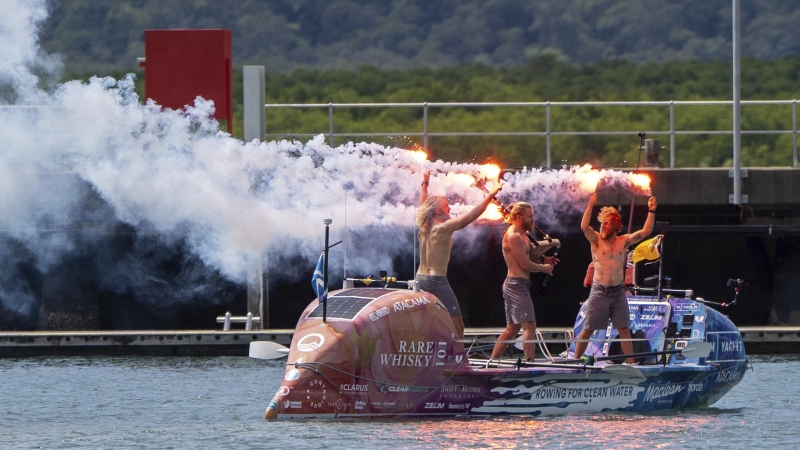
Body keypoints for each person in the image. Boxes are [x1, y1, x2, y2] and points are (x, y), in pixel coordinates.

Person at [416, 170, 501, 339]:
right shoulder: (442, 228)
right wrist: (491, 193)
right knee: (457, 326)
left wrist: (425, 183)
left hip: (420, 279)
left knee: (426, 323)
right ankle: (458, 360)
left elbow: (423, 204)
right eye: (446, 206)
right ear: (438, 211)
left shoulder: (424, 224)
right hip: (436, 281)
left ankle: (432, 356)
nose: (450, 208)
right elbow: (469, 217)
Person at [574, 193, 657, 364]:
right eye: (601, 223)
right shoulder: (595, 240)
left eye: (606, 223)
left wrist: (651, 210)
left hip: (618, 292)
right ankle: (575, 361)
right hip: (599, 291)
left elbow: (646, 231)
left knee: (624, 329)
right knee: (588, 328)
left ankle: (631, 364)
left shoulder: (624, 241)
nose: (602, 226)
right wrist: (590, 204)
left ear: (615, 225)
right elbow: (584, 226)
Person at [489, 202, 556, 362]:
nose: (533, 219)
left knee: (512, 328)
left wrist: (544, 259)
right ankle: (529, 363)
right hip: (515, 285)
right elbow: (524, 264)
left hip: (520, 284)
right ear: (520, 217)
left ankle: (491, 362)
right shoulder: (513, 236)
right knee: (529, 325)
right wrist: (544, 268)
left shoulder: (522, 234)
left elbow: (528, 257)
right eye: (530, 216)